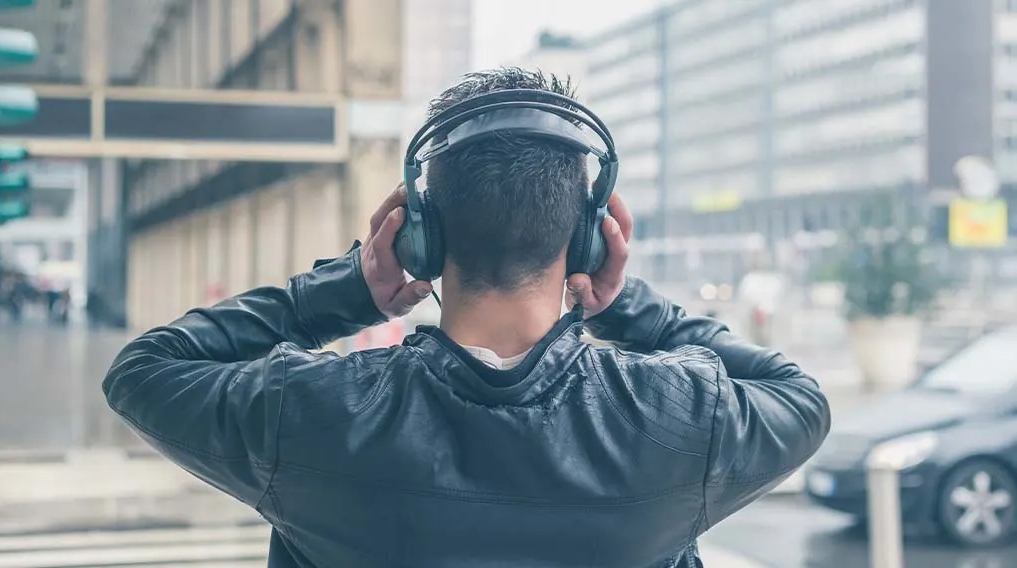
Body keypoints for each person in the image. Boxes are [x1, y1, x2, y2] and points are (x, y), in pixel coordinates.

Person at [103, 69, 830, 568]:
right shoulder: (684, 417)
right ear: (587, 235)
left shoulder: (308, 412)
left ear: (422, 235)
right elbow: (802, 398)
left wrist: (346, 290)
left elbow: (143, 372)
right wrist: (625, 303)